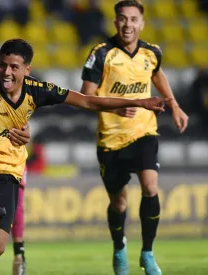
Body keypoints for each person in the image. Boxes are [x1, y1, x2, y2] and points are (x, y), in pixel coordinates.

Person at [0, 38, 168, 275]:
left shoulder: (37, 90)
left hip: (9, 170)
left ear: (27, 70)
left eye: (14, 67)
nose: (6, 72)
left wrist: (140, 102)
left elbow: (87, 101)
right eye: (3, 65)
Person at [79, 1, 189, 275]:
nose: (128, 24)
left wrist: (174, 105)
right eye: (122, 19)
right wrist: (117, 105)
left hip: (144, 132)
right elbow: (85, 96)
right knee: (119, 203)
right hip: (111, 140)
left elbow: (157, 74)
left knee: (150, 187)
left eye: (133, 19)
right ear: (115, 22)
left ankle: (148, 253)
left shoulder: (152, 53)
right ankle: (119, 247)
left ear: (142, 24)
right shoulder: (102, 53)